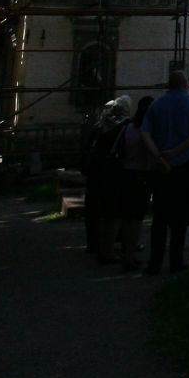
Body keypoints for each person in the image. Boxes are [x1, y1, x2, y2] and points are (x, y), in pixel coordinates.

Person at [141, 69, 189, 275]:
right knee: (180, 217)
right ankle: (176, 262)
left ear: (168, 85)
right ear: (185, 85)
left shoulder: (157, 104)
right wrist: (177, 151)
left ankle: (154, 263)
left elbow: (145, 133)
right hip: (184, 166)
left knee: (160, 217)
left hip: (161, 168)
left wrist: (159, 157)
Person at [84, 96, 130, 264]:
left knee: (100, 211)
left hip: (97, 172)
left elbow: (87, 147)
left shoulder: (98, 125)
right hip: (114, 173)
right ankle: (109, 249)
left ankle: (97, 245)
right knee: (113, 212)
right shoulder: (123, 127)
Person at [116, 95, 158, 272]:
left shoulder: (127, 128)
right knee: (136, 218)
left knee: (127, 216)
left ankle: (126, 250)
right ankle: (130, 256)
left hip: (126, 174)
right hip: (142, 176)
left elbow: (120, 151)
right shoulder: (147, 131)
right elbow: (153, 153)